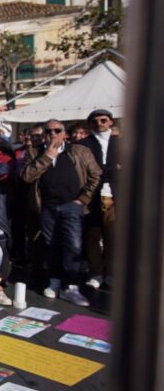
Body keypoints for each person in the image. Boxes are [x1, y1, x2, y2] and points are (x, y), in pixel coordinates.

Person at [20, 118, 101, 307]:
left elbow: (95, 174)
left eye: (57, 131)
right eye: (48, 131)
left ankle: (71, 286)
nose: (53, 135)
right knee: (50, 244)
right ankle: (55, 281)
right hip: (46, 206)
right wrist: (47, 156)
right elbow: (26, 176)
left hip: (72, 205)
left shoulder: (79, 151)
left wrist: (83, 199)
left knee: (72, 246)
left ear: (64, 134)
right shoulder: (34, 152)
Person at [78, 109, 118, 291]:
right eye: (95, 121)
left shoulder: (122, 142)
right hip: (91, 195)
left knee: (113, 236)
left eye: (103, 120)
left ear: (110, 122)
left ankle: (111, 272)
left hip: (115, 194)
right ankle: (96, 272)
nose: (99, 124)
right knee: (92, 235)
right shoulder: (83, 144)